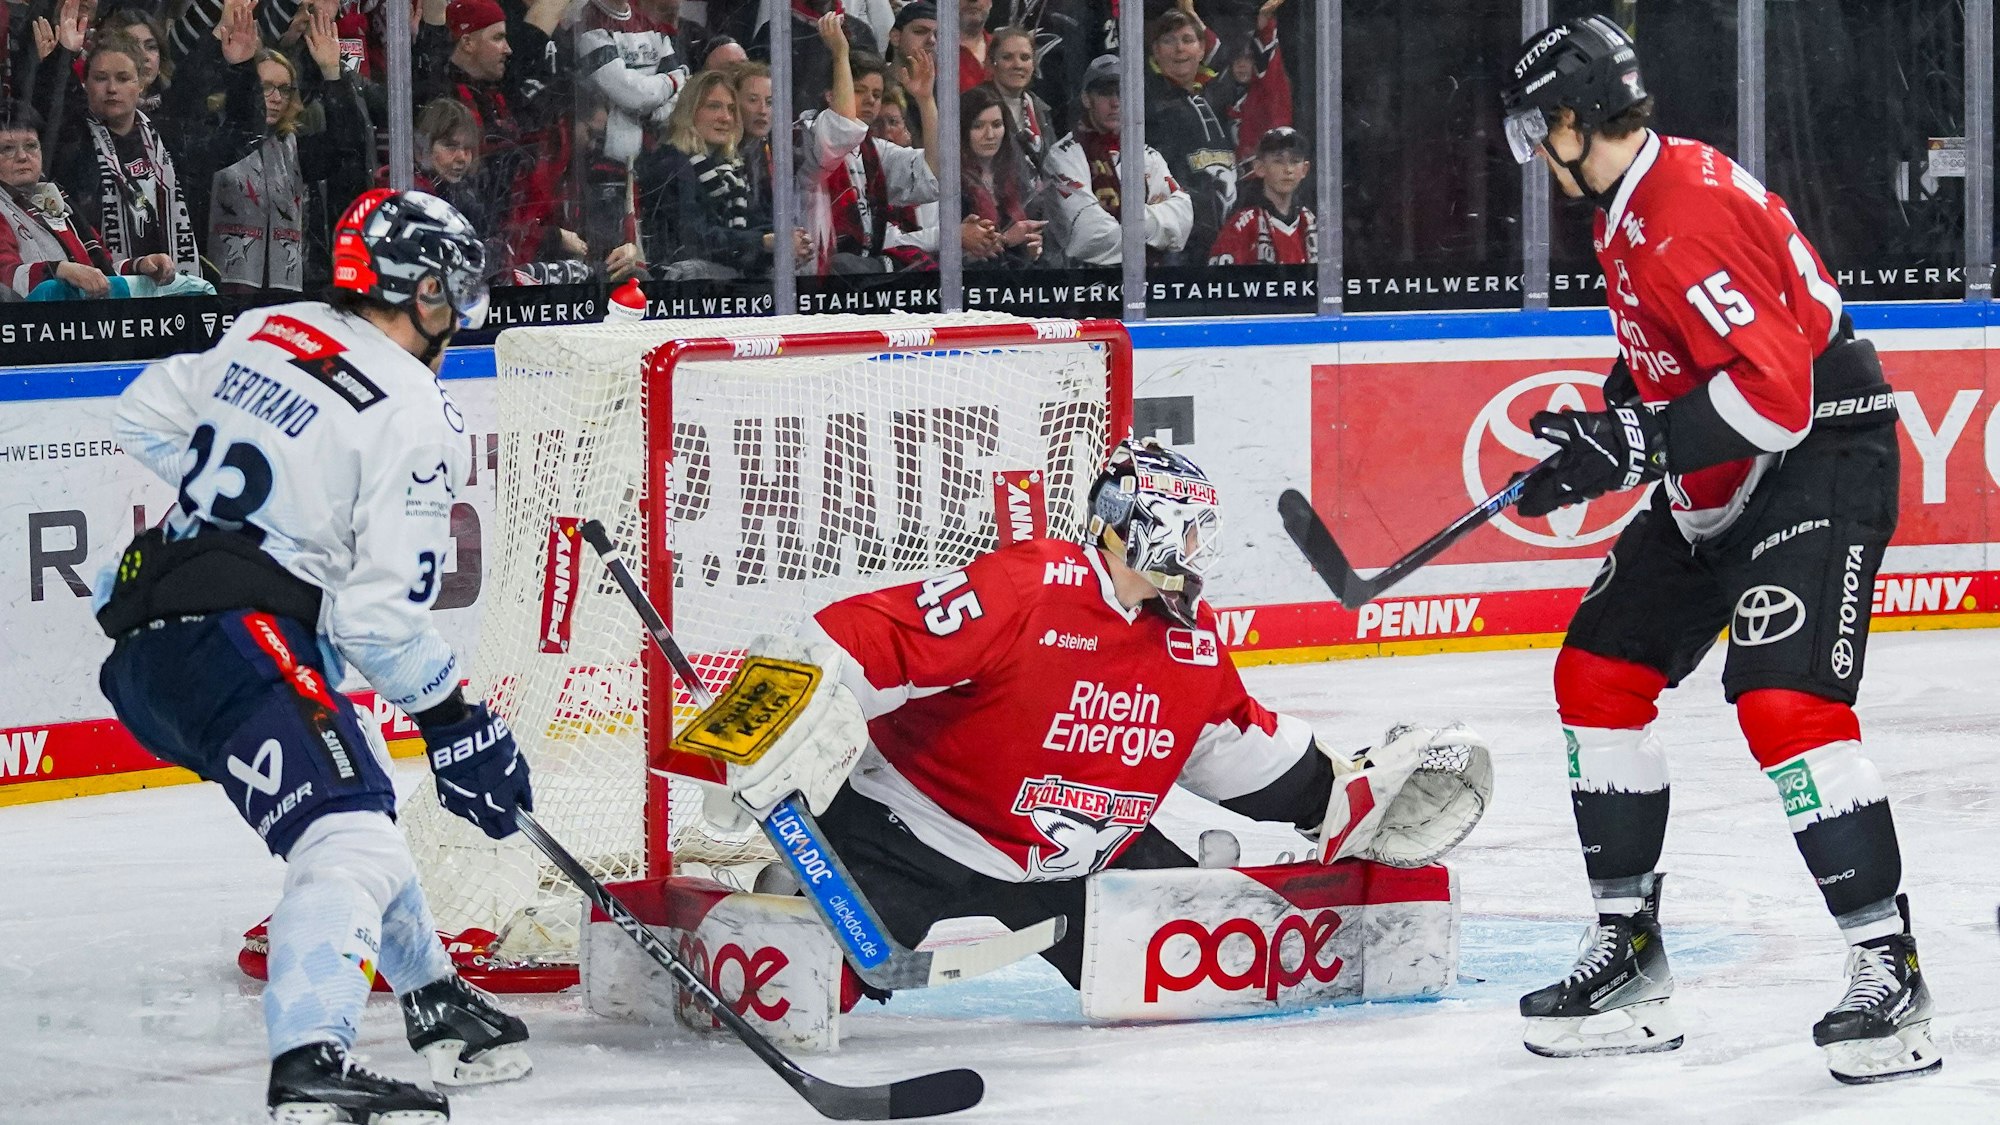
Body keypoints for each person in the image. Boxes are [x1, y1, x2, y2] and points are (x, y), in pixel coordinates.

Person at [1498, 17, 1937, 1084]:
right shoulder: (1631, 204)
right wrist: (1601, 437)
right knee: (1596, 674)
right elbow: (1674, 358)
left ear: (1573, 117)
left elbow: (1778, 397)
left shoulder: (1680, 213)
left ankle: (1890, 970)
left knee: (1785, 706)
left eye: (1536, 129)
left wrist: (1636, 441)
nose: (1533, 152)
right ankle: (1628, 955)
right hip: (1719, 471)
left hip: (1817, 455)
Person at [699, 438, 1491, 991]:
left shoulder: (1190, 642)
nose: (1203, 553)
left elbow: (1233, 743)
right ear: (1143, 525)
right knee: (799, 983)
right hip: (913, 836)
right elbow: (873, 639)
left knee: (1224, 962)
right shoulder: (1033, 587)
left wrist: (1335, 793)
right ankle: (781, 898)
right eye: (1191, 531)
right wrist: (764, 720)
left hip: (1084, 861)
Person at [93, 189, 536, 1121]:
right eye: (453, 290)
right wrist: (456, 721)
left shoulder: (269, 327)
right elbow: (378, 624)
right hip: (234, 642)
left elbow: (140, 412)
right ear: (420, 292)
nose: (460, 311)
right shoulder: (415, 412)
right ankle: (311, 1061)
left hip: (148, 649)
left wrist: (262, 516)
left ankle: (435, 1000)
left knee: (357, 791)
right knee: (350, 833)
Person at [208, 18, 372, 295]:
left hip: (287, 290)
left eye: (284, 89)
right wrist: (238, 67)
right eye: (265, 86)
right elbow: (235, 125)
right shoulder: (216, 138)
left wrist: (332, 73)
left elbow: (348, 146)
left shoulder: (293, 148)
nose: (275, 97)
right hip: (223, 292)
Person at [799, 13, 939, 275]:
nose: (870, 100)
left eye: (876, 94)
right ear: (830, 95)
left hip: (863, 270)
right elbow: (841, 131)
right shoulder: (808, 135)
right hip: (816, 277)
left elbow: (932, 175)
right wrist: (840, 55)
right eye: (859, 90)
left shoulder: (873, 150)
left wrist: (925, 100)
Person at [637, 68, 807, 277]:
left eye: (731, 109)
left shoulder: (730, 170)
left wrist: (789, 238)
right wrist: (766, 242)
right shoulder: (670, 164)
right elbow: (695, 238)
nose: (725, 117)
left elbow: (751, 223)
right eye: (714, 106)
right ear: (690, 111)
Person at [0, 100, 173, 298]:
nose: (22, 156)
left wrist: (140, 265)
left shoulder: (59, 203)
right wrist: (60, 270)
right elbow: (6, 276)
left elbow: (101, 275)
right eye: (7, 149)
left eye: (31, 145)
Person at [1143, 1, 1271, 261]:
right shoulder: (1147, 104)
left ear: (1202, 49)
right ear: (1155, 51)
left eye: (1188, 40)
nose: (1179, 49)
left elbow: (1226, 59)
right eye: (1168, 41)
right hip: (1176, 248)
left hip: (1225, 241)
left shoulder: (1213, 98)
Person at [1043, 54, 1191, 267]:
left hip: (1147, 279)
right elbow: (1088, 235)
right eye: (1105, 93)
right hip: (1083, 280)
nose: (1115, 103)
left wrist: (1127, 221)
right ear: (1086, 99)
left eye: (1122, 93)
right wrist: (1155, 232)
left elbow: (1183, 218)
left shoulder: (1146, 155)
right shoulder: (1064, 156)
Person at [907, 83, 1042, 267]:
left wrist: (1030, 250)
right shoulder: (944, 180)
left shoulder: (1016, 175)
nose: (990, 135)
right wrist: (1004, 240)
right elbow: (936, 250)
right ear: (962, 130)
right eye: (978, 126)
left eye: (997, 125)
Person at [576, 0, 692, 164]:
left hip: (654, 156)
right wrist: (673, 81)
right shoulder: (588, 20)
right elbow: (633, 95)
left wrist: (653, 114)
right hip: (604, 161)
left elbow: (681, 95)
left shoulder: (649, 23)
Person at [1207, 125, 1312, 266]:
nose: (1288, 169)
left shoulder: (1311, 222)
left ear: (1305, 169)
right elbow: (1221, 278)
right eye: (1278, 161)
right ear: (1259, 168)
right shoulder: (1240, 226)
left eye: (1295, 161)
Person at [986, 25, 1055, 170]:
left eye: (1025, 58)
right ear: (992, 63)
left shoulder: (1040, 108)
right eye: (1007, 57)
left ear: (1033, 65)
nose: (1017, 65)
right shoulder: (977, 105)